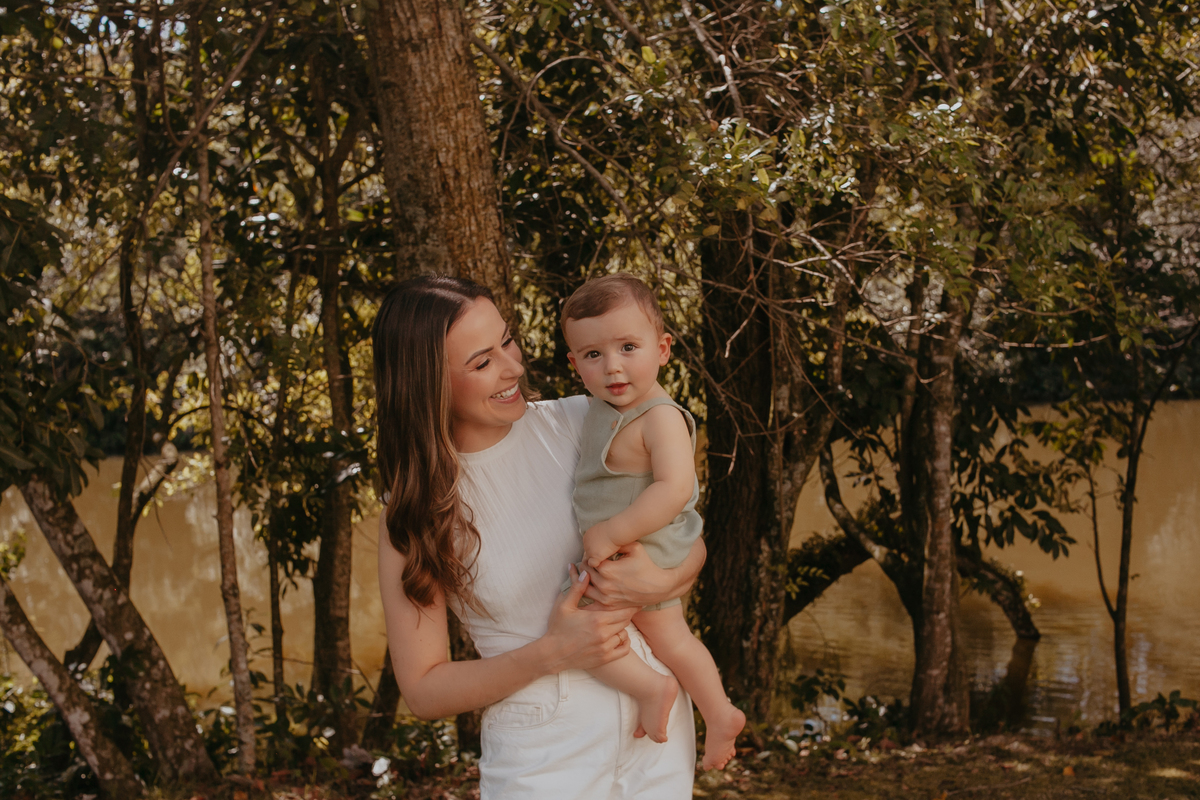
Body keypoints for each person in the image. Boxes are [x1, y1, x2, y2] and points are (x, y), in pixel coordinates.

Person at [372, 274, 705, 799]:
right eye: (481, 363)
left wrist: (659, 581)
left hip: (656, 731)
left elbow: (685, 530)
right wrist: (553, 652)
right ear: (428, 383)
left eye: (506, 340)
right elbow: (424, 690)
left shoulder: (587, 420)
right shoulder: (416, 512)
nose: (512, 368)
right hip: (544, 754)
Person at [558, 273, 746, 770]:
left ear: (662, 349)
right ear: (575, 365)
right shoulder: (601, 408)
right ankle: (714, 710)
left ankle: (661, 691)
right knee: (668, 638)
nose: (613, 366)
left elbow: (675, 489)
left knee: (584, 627)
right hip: (629, 548)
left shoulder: (660, 417)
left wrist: (611, 532)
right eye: (594, 355)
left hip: (647, 545)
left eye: (627, 347)